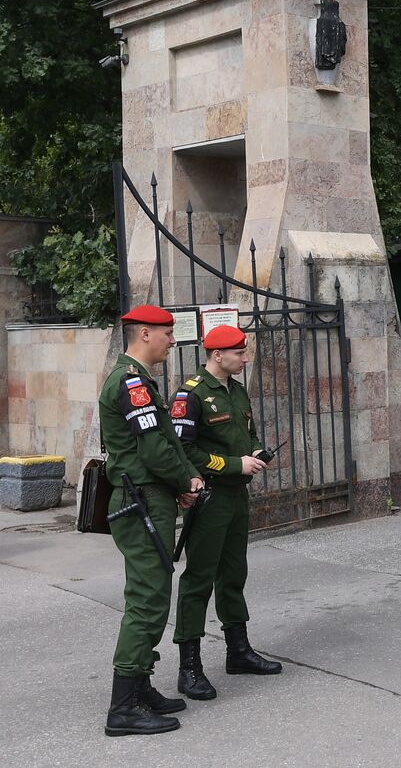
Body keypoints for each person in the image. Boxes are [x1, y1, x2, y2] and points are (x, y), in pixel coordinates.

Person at [97, 305, 205, 736]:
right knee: (147, 599)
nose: (172, 340)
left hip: (152, 497)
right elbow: (153, 451)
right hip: (140, 500)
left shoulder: (141, 380)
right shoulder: (130, 381)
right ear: (144, 334)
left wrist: (185, 480)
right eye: (167, 333)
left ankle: (140, 686)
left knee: (154, 593)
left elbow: (164, 441)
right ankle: (123, 707)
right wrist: (187, 479)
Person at [169, 324, 281, 701]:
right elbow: (184, 451)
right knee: (199, 578)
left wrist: (256, 453)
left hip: (237, 497)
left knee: (234, 573)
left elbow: (247, 433)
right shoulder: (190, 394)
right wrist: (236, 464)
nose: (245, 358)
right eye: (239, 353)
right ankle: (189, 667)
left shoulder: (235, 390)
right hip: (211, 498)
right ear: (218, 355)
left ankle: (239, 651)